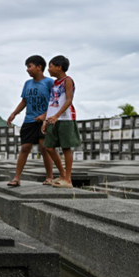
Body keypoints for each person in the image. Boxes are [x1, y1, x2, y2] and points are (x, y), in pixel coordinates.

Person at [6, 55, 55, 187]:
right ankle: (16, 178)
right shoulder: (28, 83)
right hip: (29, 120)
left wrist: (45, 115)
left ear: (39, 67)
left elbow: (54, 102)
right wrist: (14, 113)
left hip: (44, 121)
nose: (27, 70)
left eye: (29, 66)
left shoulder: (49, 82)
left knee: (44, 148)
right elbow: (24, 101)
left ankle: (50, 177)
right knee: (25, 148)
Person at [41, 55, 81, 189]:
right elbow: (52, 103)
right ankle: (62, 174)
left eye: (50, 66)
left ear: (59, 67)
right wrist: (46, 120)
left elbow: (69, 100)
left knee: (65, 147)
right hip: (53, 118)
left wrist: (57, 115)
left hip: (65, 118)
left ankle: (68, 179)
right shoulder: (54, 83)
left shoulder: (67, 81)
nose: (48, 69)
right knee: (49, 147)